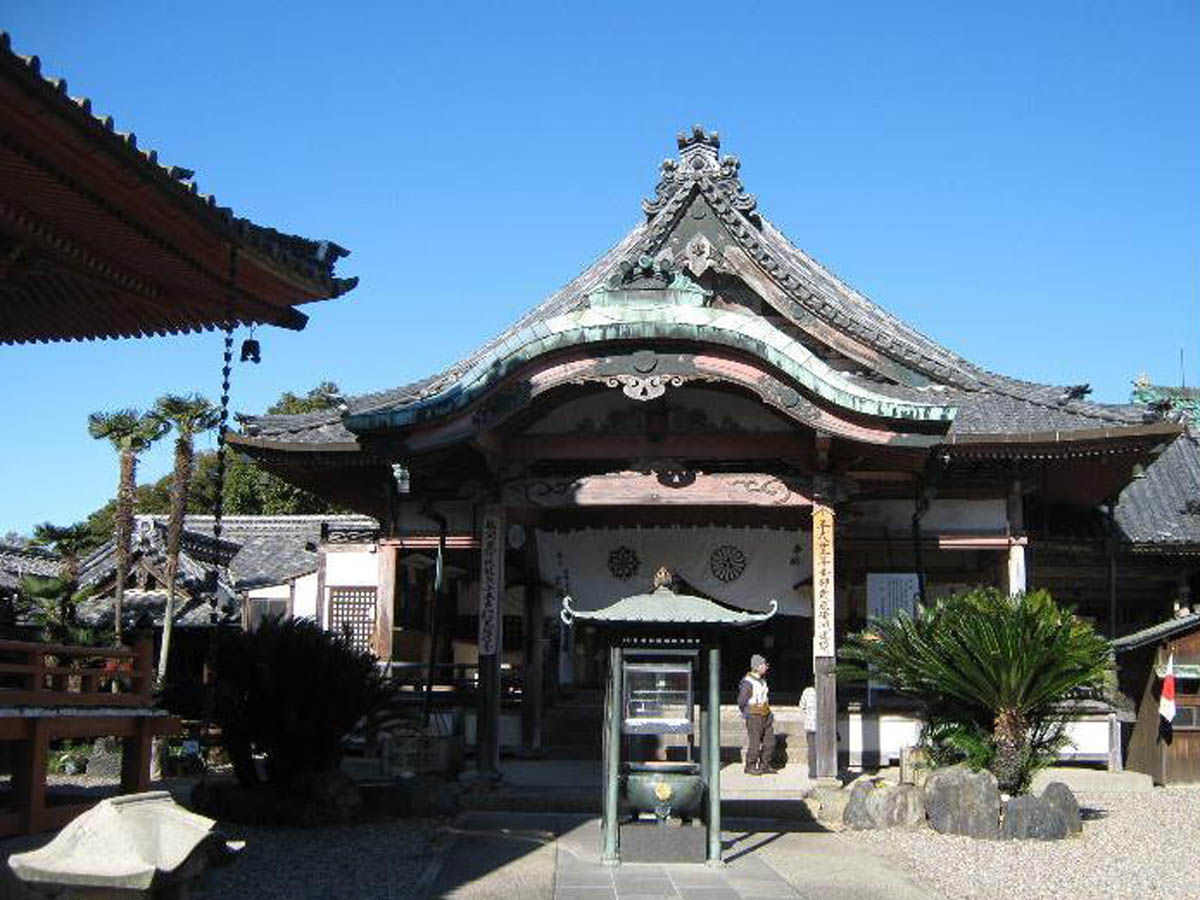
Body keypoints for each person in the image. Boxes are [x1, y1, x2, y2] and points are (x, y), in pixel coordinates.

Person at [737, 654, 778, 775]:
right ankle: (750, 766)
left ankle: (765, 765)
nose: (766, 667)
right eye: (765, 665)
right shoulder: (748, 682)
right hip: (754, 714)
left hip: (766, 713)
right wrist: (746, 713)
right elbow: (742, 701)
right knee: (755, 743)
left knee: (770, 741)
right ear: (757, 666)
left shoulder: (762, 681)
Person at [800, 684, 817, 778]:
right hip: (824, 725)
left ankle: (813, 772)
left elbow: (802, 706)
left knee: (812, 749)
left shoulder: (807, 691)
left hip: (810, 724)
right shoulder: (826, 689)